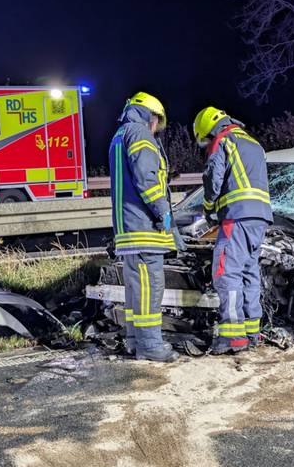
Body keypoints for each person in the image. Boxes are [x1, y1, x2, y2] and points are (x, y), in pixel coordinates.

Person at [193, 106, 272, 354]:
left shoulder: (222, 140)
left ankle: (233, 335)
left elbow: (212, 179)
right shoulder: (253, 144)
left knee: (226, 273)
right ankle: (252, 331)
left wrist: (208, 208)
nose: (206, 144)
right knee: (249, 273)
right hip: (259, 218)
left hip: (236, 216)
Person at [108, 92, 179, 362]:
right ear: (150, 115)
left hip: (127, 229)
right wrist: (164, 212)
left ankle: (134, 341)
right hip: (142, 227)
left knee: (135, 289)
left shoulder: (119, 135)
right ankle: (150, 345)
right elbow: (147, 179)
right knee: (151, 287)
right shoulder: (140, 135)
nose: (155, 128)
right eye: (156, 122)